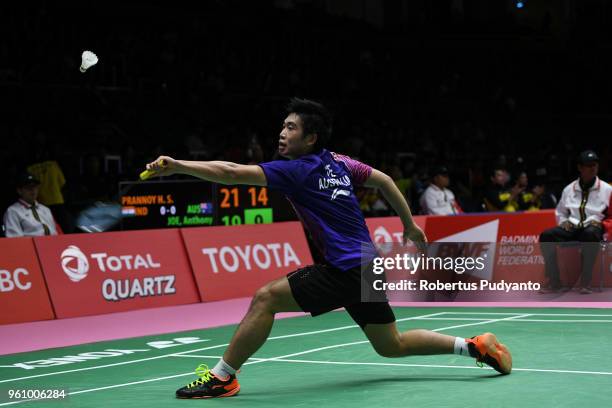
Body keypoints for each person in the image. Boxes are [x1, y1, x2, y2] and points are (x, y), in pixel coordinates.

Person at [144, 98, 512, 399]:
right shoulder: (338, 162)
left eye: (291, 127)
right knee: (390, 344)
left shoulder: (297, 170)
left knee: (265, 298)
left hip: (347, 267)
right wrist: (409, 224)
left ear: (310, 138)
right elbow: (383, 180)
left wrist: (178, 165)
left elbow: (229, 172)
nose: (282, 132)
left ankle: (223, 377)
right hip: (368, 265)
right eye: (283, 125)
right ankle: (474, 346)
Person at [539, 150, 612, 294]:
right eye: (588, 165)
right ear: (580, 168)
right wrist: (563, 221)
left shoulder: (608, 189)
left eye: (595, 165)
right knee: (546, 236)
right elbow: (560, 212)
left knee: (590, 234)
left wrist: (603, 225)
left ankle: (586, 283)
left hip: (594, 227)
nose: (592, 168)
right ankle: (554, 282)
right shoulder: (569, 189)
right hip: (572, 226)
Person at [3, 173, 59, 237]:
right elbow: (14, 238)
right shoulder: (12, 211)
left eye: (35, 187)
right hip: (30, 245)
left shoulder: (45, 209)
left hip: (52, 243)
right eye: (28, 187)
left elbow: (55, 232)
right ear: (19, 191)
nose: (33, 190)